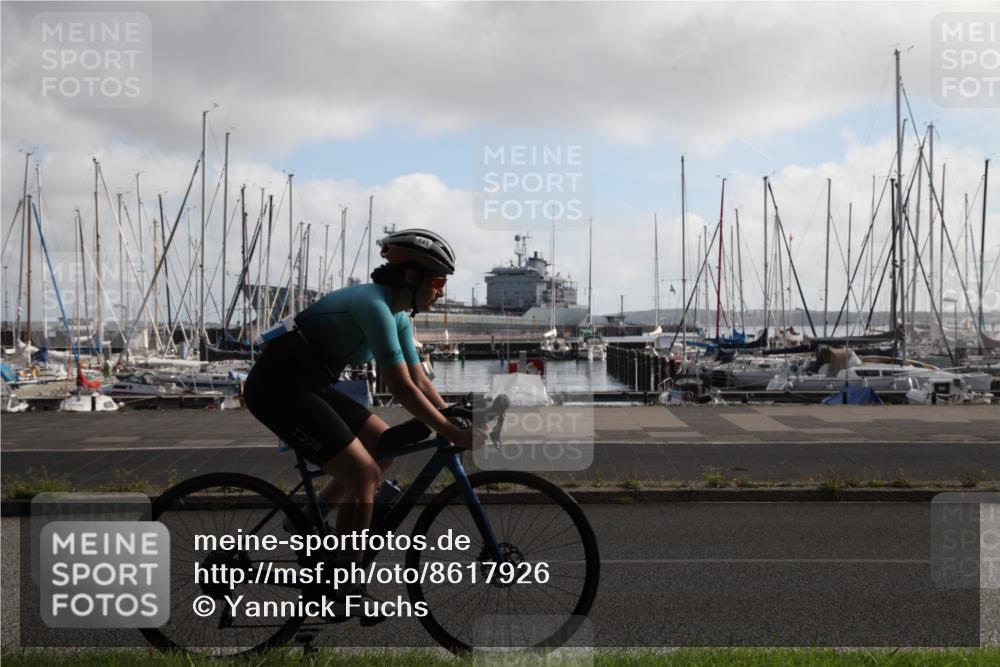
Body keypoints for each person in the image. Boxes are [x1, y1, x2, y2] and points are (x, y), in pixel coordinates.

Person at [243, 229, 478, 559]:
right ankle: (345, 584)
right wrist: (450, 430)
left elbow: (420, 382)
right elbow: (401, 388)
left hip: (311, 385)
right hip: (276, 388)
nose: (440, 293)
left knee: (384, 447)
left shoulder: (398, 317)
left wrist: (449, 412)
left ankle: (310, 519)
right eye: (438, 283)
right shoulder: (373, 307)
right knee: (362, 474)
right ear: (412, 276)